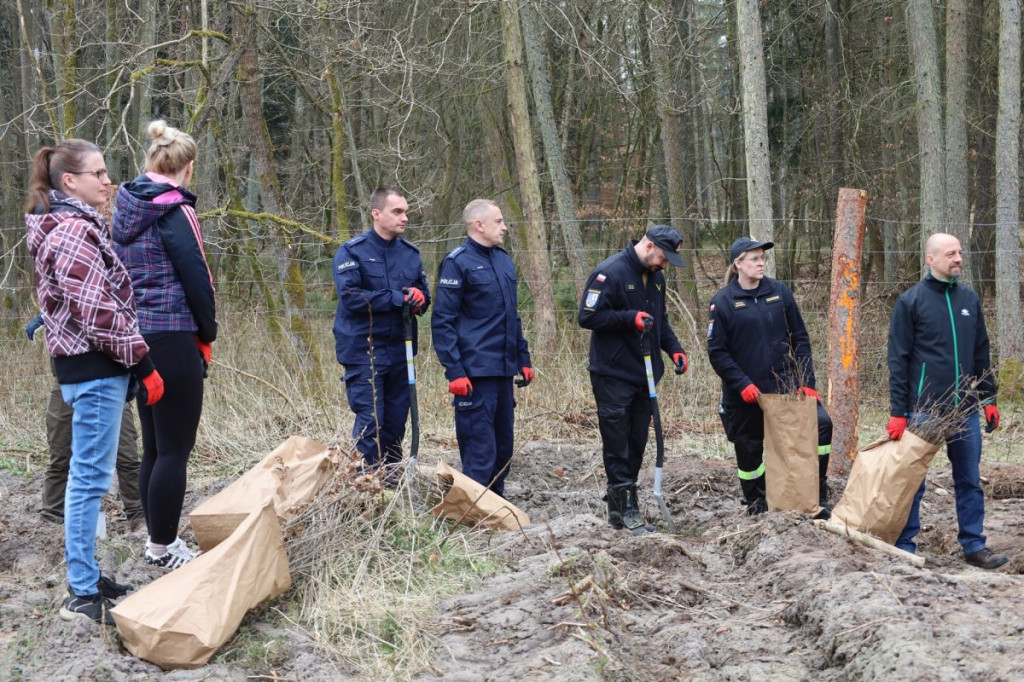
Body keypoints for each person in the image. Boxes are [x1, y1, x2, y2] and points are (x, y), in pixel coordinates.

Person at [25, 139, 164, 625]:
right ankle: (83, 593)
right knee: (87, 481)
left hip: (90, 366)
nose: (109, 181)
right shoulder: (70, 232)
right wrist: (143, 364)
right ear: (70, 182)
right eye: (99, 174)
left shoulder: (69, 225)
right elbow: (99, 314)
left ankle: (88, 577)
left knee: (88, 477)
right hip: (95, 367)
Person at [112, 120, 216, 571]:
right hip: (173, 334)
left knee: (154, 446)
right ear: (187, 168)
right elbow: (197, 276)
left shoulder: (124, 209)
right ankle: (164, 547)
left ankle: (155, 541)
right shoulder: (177, 211)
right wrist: (208, 333)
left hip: (139, 337)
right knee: (175, 449)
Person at [887, 233, 1006, 569]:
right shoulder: (911, 302)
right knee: (914, 479)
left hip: (965, 408)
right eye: (951, 254)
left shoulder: (969, 298)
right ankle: (905, 545)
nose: (958, 259)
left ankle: (974, 545)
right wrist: (899, 411)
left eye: (960, 253)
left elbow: (981, 350)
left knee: (968, 478)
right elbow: (899, 359)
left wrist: (989, 398)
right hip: (925, 409)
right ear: (931, 260)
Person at [706, 237, 832, 516]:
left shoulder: (779, 292)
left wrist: (806, 382)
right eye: (754, 258)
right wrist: (742, 384)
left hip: (785, 386)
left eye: (762, 257)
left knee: (821, 426)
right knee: (749, 449)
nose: (761, 262)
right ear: (738, 263)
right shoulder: (722, 302)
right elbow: (717, 352)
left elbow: (799, 338)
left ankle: (817, 491)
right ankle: (757, 501)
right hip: (746, 393)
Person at [578, 225, 688, 534]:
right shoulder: (609, 273)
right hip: (613, 374)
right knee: (617, 443)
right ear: (650, 246)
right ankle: (621, 510)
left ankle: (628, 504)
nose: (665, 265)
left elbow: (660, 320)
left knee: (637, 441)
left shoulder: (656, 279)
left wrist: (674, 349)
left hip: (646, 374)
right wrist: (629, 319)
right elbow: (587, 317)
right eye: (664, 258)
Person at [431, 199, 533, 496]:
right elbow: (443, 321)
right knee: (480, 452)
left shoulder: (503, 260)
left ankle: (496, 510)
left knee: (503, 450)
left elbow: (512, 316)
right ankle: (474, 520)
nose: (504, 227)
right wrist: (455, 371)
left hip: (503, 372)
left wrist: (522, 358)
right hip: (473, 375)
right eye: (499, 221)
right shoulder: (457, 262)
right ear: (479, 225)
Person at [332, 187, 430, 478]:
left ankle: (391, 482)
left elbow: (423, 297)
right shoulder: (352, 252)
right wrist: (398, 298)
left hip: (402, 349)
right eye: (397, 211)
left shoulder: (410, 254)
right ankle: (366, 484)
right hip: (365, 351)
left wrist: (419, 299)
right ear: (377, 213)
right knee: (370, 420)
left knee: (397, 421)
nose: (405, 218)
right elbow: (351, 297)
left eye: (406, 212)